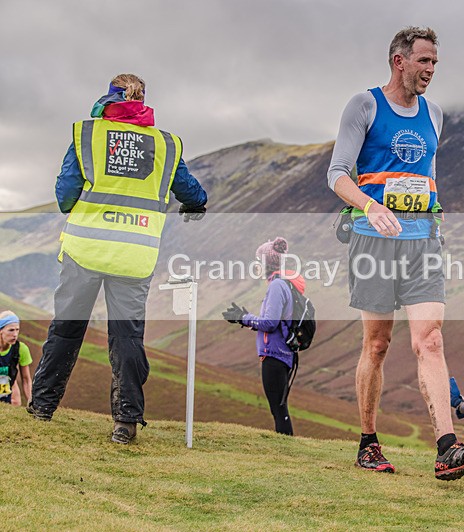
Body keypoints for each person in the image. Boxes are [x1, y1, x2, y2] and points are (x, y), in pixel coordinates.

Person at [327, 27, 464, 479]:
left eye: (435, 63)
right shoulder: (364, 106)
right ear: (399, 61)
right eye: (424, 61)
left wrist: (435, 221)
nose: (431, 70)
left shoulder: (434, 114)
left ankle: (447, 448)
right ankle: (368, 442)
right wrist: (369, 205)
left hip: (422, 243)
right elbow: (338, 173)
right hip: (373, 239)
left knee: (431, 338)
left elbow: (428, 174)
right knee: (378, 343)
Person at [27, 74, 208, 444]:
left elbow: (64, 196)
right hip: (134, 254)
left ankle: (42, 407)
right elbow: (192, 192)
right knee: (126, 336)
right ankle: (126, 423)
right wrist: (193, 206)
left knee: (66, 329)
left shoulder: (88, 134)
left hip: (85, 250)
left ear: (107, 98)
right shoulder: (166, 145)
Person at [223, 238, 303, 436]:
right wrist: (245, 320)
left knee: (278, 409)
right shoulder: (284, 285)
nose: (256, 264)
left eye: (258, 260)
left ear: (268, 263)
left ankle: (286, 452)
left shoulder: (277, 286)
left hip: (275, 354)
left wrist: (244, 318)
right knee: (279, 407)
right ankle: (287, 450)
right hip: (282, 353)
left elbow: (270, 323)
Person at [0, 312, 33, 406]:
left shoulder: (21, 349)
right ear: (1, 330)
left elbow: (26, 380)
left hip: (7, 386)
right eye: (11, 330)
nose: (15, 334)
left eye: (17, 330)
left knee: (14, 405)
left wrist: (32, 404)